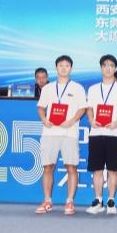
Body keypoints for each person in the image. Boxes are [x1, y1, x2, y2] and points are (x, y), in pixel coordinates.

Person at [35, 55, 87, 215]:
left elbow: (82, 109)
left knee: (71, 167)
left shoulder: (77, 88)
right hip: (50, 132)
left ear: (71, 68)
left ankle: (70, 201)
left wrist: (71, 121)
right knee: (48, 167)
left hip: (69, 132)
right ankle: (47, 200)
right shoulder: (48, 88)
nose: (64, 68)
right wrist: (44, 119)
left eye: (67, 66)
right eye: (61, 65)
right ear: (56, 68)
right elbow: (41, 107)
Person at [85, 55, 117, 215]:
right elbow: (89, 108)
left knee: (112, 169)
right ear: (101, 68)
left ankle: (111, 201)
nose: (108, 68)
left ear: (115, 68)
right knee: (97, 169)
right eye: (105, 65)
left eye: (111, 65)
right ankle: (98, 200)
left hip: (114, 133)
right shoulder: (93, 89)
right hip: (96, 133)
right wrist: (91, 120)